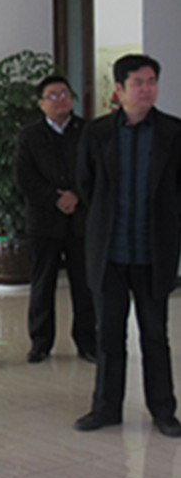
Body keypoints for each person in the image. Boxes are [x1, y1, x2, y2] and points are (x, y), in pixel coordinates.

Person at [74, 54, 181, 438]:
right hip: (110, 252)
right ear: (118, 89)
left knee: (155, 335)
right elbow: (85, 185)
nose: (146, 89)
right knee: (108, 335)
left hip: (154, 253)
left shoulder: (173, 132)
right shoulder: (98, 132)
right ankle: (105, 408)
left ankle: (163, 410)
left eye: (152, 81)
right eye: (138, 82)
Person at [15, 76, 96, 364]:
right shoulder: (30, 135)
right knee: (42, 284)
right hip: (44, 222)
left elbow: (97, 171)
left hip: (81, 221)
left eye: (64, 93)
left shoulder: (88, 131)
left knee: (84, 286)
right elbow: (25, 177)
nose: (61, 99)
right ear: (41, 104)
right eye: (53, 95)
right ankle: (40, 342)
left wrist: (77, 196)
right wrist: (55, 198)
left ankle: (87, 342)